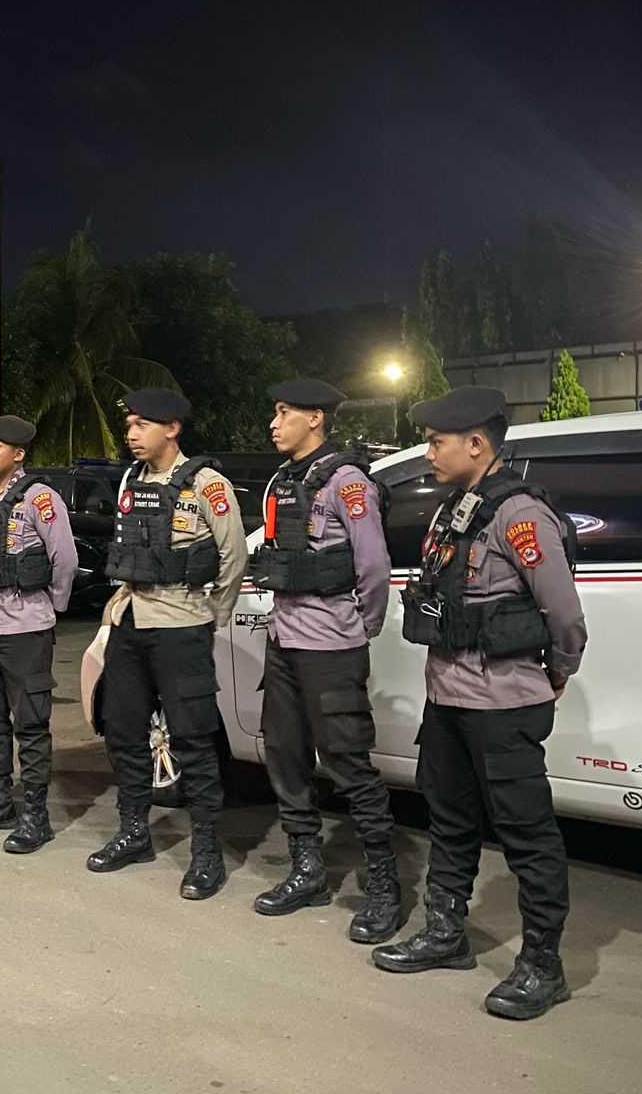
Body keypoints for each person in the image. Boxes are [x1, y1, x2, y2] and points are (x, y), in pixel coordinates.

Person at [370, 386, 587, 1022]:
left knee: (526, 834)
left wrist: (558, 673)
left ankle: (543, 964)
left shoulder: (521, 516)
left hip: (503, 704)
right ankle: (445, 934)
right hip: (449, 699)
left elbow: (565, 614)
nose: (427, 453)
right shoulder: (455, 510)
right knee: (450, 819)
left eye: (436, 442)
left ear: (476, 444)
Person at [248, 379, 401, 941]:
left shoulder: (347, 482)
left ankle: (384, 886)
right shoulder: (283, 481)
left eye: (283, 412)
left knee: (348, 764)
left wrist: (358, 631)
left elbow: (374, 567)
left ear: (315, 418)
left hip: (331, 648)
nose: (274, 423)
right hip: (284, 642)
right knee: (285, 758)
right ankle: (307, 870)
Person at [87, 387, 249, 900]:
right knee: (123, 732)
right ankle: (134, 833)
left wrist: (210, 617)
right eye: (129, 425)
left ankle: (206, 854)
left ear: (172, 428)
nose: (131, 434)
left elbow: (233, 558)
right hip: (131, 621)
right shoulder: (131, 480)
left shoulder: (206, 484)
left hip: (181, 626)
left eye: (142, 425)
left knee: (193, 741)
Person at [0, 415, 78, 854]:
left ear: (18, 454)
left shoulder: (40, 498)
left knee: (31, 724)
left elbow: (65, 561)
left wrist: (50, 608)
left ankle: (36, 817)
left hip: (24, 628)